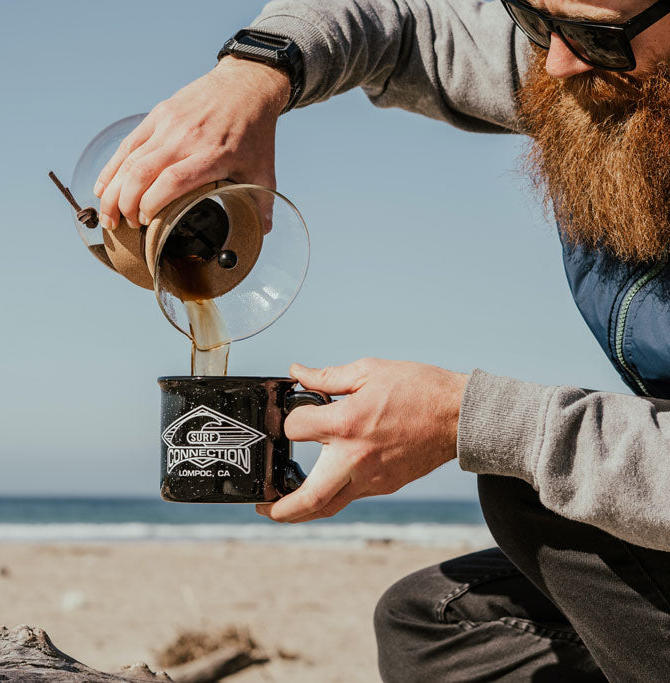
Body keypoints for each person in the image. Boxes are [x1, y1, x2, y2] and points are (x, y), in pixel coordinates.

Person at [92, 0, 670, 679]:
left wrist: (465, 418)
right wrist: (254, 74)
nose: (555, 62)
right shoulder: (589, 67)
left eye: (596, 38)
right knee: (433, 628)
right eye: (536, 18)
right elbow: (401, 25)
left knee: (536, 498)